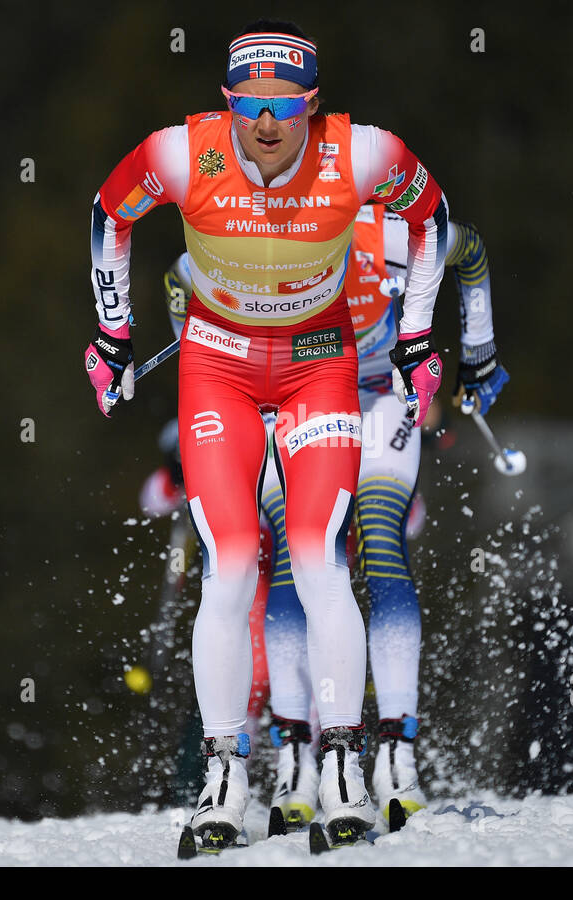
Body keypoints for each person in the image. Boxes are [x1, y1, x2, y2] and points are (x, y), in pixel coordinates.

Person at [86, 19, 450, 848]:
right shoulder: (183, 154)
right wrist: (112, 334)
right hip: (217, 367)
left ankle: (343, 768)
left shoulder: (361, 154)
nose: (266, 123)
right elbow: (110, 213)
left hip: (320, 362)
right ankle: (224, 775)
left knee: (322, 559)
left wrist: (420, 333)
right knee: (235, 564)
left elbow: (433, 221)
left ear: (314, 106)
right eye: (249, 103)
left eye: (285, 106)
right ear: (227, 103)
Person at [163, 207, 509, 827]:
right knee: (297, 556)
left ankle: (395, 760)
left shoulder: (387, 234)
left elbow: (472, 251)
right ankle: (296, 756)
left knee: (379, 540)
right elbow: (179, 278)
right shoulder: (251, 239)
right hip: (288, 396)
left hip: (375, 397)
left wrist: (478, 351)